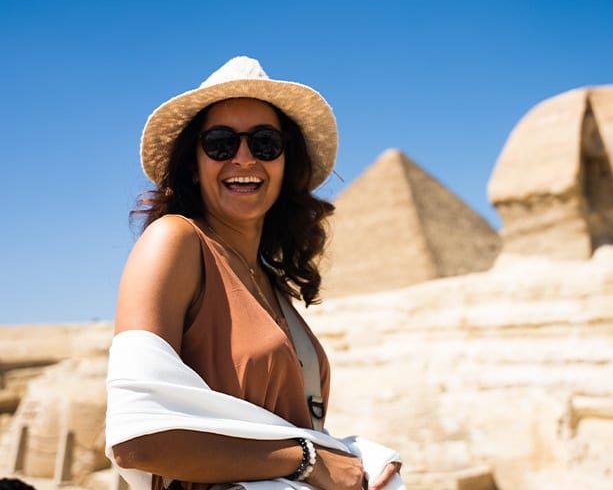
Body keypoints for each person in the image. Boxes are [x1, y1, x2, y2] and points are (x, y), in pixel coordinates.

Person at [108, 56, 402, 490]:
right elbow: (137, 440)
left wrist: (357, 459)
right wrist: (310, 461)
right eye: (221, 144)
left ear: (286, 162)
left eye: (265, 143)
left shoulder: (269, 282)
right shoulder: (175, 243)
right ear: (194, 161)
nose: (244, 158)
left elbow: (278, 432)